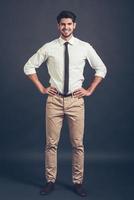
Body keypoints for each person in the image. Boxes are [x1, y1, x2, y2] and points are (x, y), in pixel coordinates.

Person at [23, 10, 107, 197]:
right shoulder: (49, 47)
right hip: (54, 101)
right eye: (63, 24)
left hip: (76, 101)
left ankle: (77, 182)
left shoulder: (84, 47)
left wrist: (89, 89)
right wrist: (41, 87)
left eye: (69, 24)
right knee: (51, 144)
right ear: (58, 26)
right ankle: (50, 181)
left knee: (78, 144)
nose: (66, 27)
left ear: (74, 25)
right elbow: (28, 66)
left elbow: (101, 68)